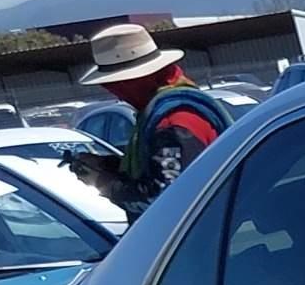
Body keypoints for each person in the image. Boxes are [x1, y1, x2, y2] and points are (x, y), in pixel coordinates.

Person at [70, 22, 232, 216]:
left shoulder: (174, 125)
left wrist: (102, 183)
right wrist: (108, 165)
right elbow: (162, 170)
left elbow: (165, 199)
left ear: (133, 81)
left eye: (116, 86)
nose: (118, 96)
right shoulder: (168, 113)